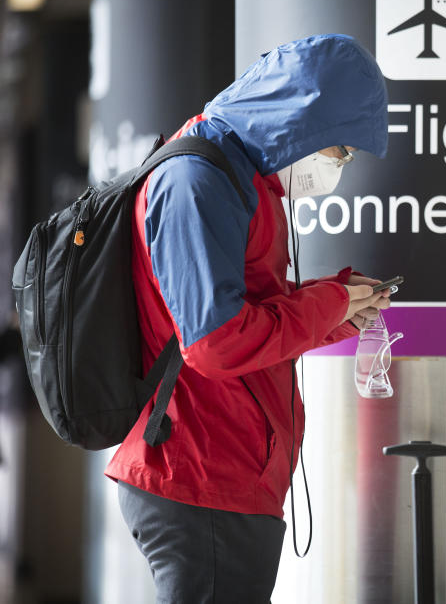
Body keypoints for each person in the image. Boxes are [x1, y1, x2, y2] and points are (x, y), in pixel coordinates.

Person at [104, 34, 391, 602]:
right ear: (305, 121)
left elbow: (251, 316)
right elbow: (214, 342)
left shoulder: (240, 178)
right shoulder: (197, 181)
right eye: (342, 151)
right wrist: (327, 305)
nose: (341, 167)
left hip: (224, 475)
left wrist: (338, 310)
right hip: (201, 474)